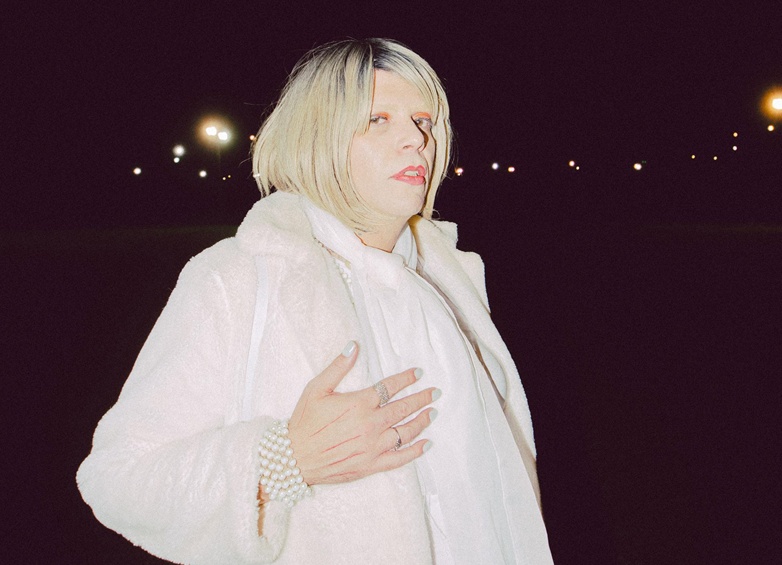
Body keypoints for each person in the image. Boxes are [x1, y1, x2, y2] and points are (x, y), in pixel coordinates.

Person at [77, 38, 554, 564]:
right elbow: (118, 478)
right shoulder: (240, 278)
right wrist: (284, 460)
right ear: (317, 137)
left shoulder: (447, 282)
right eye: (378, 120)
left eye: (423, 121)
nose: (416, 140)